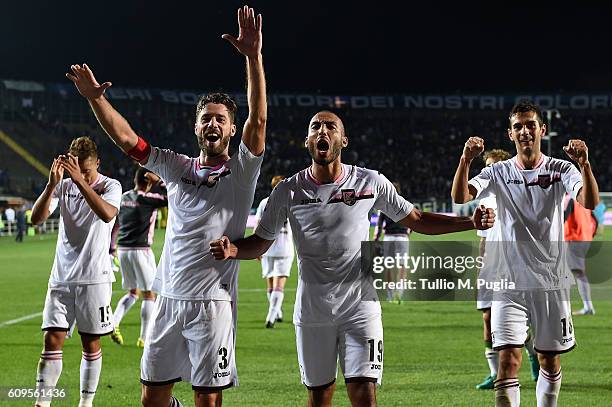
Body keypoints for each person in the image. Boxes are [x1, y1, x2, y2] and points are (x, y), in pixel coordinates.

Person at [210, 110, 494, 407]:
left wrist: (470, 223)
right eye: (315, 127)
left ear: (342, 140)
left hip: (361, 309)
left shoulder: (370, 182)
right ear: (307, 141)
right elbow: (260, 242)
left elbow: (418, 219)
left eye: (330, 126)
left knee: (364, 397)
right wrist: (234, 250)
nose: (322, 131)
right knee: (319, 399)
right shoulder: (288, 191)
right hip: (312, 312)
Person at [66, 6, 266, 406]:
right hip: (169, 297)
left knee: (207, 399)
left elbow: (258, 122)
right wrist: (95, 100)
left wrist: (253, 57)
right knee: (151, 399)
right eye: (206, 118)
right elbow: (128, 141)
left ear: (230, 128)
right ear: (196, 127)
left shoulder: (243, 172)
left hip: (213, 302)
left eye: (220, 119)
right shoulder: (175, 166)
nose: (212, 124)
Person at [451, 100, 599, 407]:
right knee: (507, 362)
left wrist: (585, 164)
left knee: (549, 360)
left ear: (542, 130)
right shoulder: (500, 171)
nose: (525, 131)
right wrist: (466, 159)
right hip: (509, 284)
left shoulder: (560, 169)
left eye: (530, 124)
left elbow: (588, 200)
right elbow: (460, 195)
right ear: (510, 134)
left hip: (551, 283)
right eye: (518, 126)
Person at [30, 136, 122, 407]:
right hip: (61, 276)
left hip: (94, 278)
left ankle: (85, 403)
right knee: (52, 339)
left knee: (90, 344)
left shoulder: (110, 185)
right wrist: (51, 185)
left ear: (97, 163)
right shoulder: (64, 185)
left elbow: (107, 214)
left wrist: (80, 181)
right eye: (77, 169)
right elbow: (36, 220)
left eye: (87, 170)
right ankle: (42, 403)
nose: (81, 174)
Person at [472, 149, 540, 390]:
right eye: (486, 166)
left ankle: (533, 356)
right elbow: (483, 238)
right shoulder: (483, 198)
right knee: (488, 319)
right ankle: (493, 372)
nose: (488, 170)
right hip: (491, 268)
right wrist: (480, 266)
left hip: (515, 267)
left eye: (493, 165)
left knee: (520, 321)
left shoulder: (519, 194)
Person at [110, 167, 167, 347]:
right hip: (141, 250)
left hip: (123, 250)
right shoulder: (148, 199)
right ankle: (145, 337)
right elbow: (173, 198)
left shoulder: (123, 198)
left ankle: (114, 323)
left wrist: (111, 248)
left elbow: (116, 225)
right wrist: (159, 182)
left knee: (133, 292)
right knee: (149, 295)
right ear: (148, 181)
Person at [254, 175, 294, 328]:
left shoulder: (264, 202)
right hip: (285, 248)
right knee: (279, 285)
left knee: (271, 284)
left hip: (267, 247)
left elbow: (258, 225)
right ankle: (271, 317)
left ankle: (277, 313)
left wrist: (257, 247)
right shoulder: (290, 201)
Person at [373, 181, 410, 303]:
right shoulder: (405, 203)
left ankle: (390, 295)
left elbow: (379, 225)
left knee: (388, 267)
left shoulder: (383, 205)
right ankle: (400, 293)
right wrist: (408, 233)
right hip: (402, 237)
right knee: (402, 266)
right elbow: (413, 221)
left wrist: (376, 238)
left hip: (389, 237)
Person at [564, 194, 598, 315]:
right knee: (576, 273)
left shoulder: (569, 199)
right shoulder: (583, 199)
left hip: (574, 239)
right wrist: (589, 235)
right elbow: (595, 220)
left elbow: (564, 217)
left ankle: (586, 307)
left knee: (572, 273)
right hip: (584, 239)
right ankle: (587, 306)